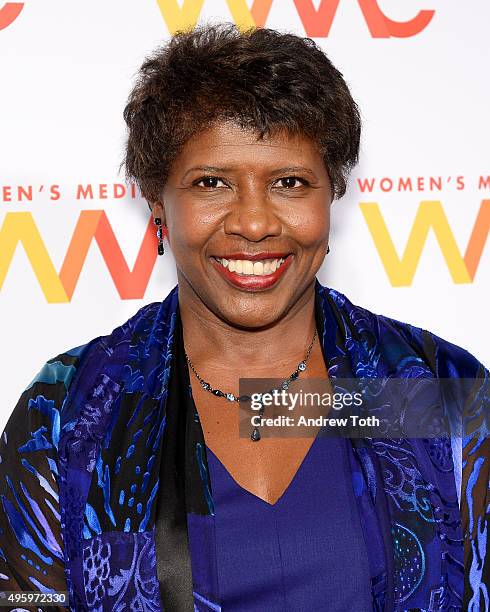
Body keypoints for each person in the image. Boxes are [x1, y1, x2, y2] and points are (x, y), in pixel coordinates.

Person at [0, 24, 488, 612]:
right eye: (212, 183)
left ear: (330, 193)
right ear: (158, 202)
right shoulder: (67, 413)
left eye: (289, 182)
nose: (254, 223)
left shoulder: (427, 387)